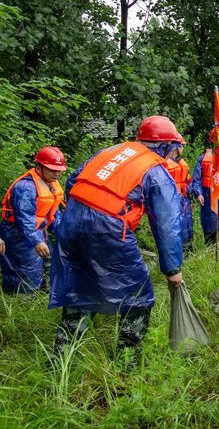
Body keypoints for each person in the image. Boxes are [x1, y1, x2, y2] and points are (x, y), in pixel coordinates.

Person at [49, 116, 185, 355]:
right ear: (164, 146)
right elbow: (167, 224)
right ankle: (126, 361)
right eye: (172, 149)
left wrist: (83, 211)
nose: (173, 155)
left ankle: (61, 356)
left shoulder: (111, 151)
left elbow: (72, 180)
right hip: (106, 229)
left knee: (80, 288)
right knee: (138, 296)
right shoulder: (155, 169)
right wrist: (172, 270)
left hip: (70, 221)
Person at [0, 147, 66, 293]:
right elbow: (25, 218)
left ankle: (43, 295)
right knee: (26, 270)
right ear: (39, 167)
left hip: (38, 230)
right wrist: (36, 241)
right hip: (17, 234)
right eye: (52, 170)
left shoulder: (51, 184)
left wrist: (66, 233)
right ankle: (20, 303)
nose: (57, 174)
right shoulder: (26, 187)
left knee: (48, 263)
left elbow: (53, 214)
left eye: (59, 170)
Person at [166, 142, 194, 251]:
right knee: (176, 225)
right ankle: (177, 251)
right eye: (181, 146)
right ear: (175, 148)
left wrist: (191, 199)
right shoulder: (165, 164)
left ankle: (189, 250)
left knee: (187, 223)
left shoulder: (181, 163)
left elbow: (188, 181)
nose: (183, 148)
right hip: (172, 200)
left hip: (184, 199)